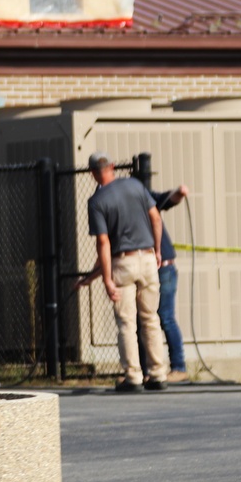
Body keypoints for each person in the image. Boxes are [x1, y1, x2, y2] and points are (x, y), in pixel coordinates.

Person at [80, 151, 168, 392]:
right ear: (113, 166)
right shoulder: (136, 186)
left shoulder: (97, 202)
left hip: (123, 262)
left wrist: (106, 279)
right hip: (148, 258)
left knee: (127, 323)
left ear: (93, 174)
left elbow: (104, 243)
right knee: (151, 318)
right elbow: (155, 218)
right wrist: (157, 250)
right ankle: (158, 374)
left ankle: (134, 377)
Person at [141, 185, 190, 384]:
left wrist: (179, 193)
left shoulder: (144, 197)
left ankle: (179, 367)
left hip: (164, 267)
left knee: (166, 317)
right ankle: (147, 370)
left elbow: (168, 199)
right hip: (145, 266)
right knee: (144, 318)